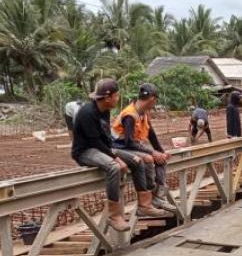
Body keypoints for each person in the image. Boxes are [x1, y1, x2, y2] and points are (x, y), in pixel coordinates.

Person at [71, 78, 148, 230]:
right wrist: (116, 158)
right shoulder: (87, 113)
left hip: (103, 148)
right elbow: (94, 142)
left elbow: (106, 139)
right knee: (114, 167)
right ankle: (114, 215)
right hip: (86, 151)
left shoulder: (105, 111)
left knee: (137, 161)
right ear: (107, 98)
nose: (118, 98)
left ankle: (144, 205)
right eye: (116, 95)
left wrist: (117, 154)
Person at [112, 83, 178, 214]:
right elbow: (129, 142)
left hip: (131, 146)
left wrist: (161, 152)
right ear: (152, 98)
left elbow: (151, 134)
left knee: (161, 159)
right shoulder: (130, 115)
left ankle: (158, 196)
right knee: (148, 159)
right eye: (155, 100)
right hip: (119, 148)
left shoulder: (143, 113)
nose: (154, 104)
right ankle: (148, 198)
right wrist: (153, 152)